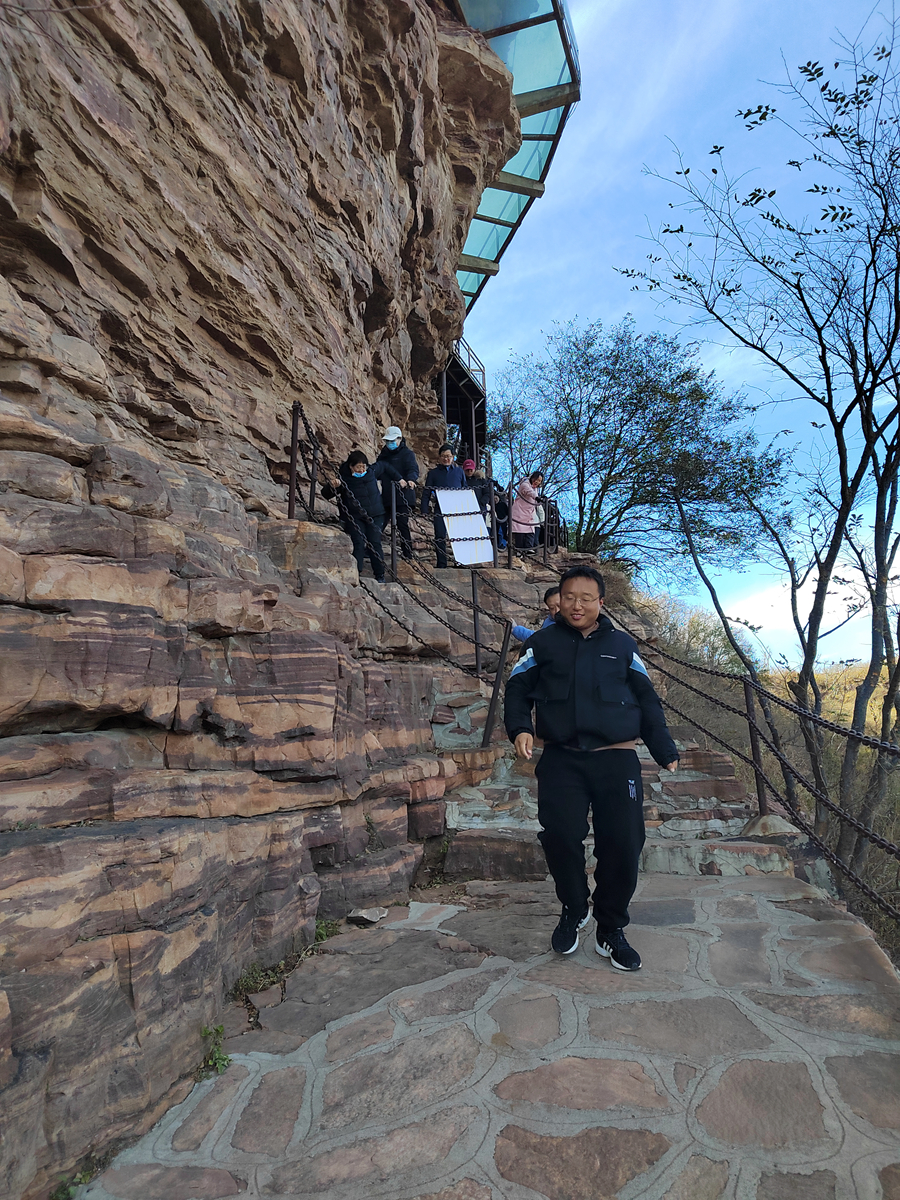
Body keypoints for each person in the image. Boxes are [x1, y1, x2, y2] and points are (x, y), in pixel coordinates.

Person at [504, 565, 679, 969]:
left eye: (586, 598)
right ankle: (574, 907)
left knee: (624, 842)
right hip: (562, 759)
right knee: (560, 837)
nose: (576, 605)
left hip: (616, 760)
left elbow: (646, 697)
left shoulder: (622, 645)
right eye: (569, 597)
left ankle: (610, 928)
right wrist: (519, 728)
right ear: (558, 601)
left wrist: (663, 746)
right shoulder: (541, 644)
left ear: (601, 602)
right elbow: (517, 688)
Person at [323, 449, 401, 582]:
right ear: (351, 466)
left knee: (374, 543)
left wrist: (399, 478)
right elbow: (326, 494)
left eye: (364, 466)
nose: (362, 470)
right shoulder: (344, 479)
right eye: (358, 467)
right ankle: (356, 573)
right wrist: (332, 486)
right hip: (355, 516)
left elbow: (384, 465)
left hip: (376, 514)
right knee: (358, 542)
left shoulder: (371, 472)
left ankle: (380, 575)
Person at [377, 425, 419, 561]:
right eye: (388, 441)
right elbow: (379, 470)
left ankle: (408, 553)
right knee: (380, 522)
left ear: (399, 439)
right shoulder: (383, 455)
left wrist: (411, 479)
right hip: (387, 494)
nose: (390, 443)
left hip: (403, 495)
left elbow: (413, 469)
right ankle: (371, 548)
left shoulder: (407, 454)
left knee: (402, 524)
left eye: (392, 440)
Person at [420, 443, 465, 568]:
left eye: (449, 456)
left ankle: (461, 561)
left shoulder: (459, 472)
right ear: (439, 457)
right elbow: (426, 492)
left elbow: (465, 490)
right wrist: (424, 509)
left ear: (453, 457)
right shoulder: (433, 473)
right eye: (444, 456)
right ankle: (442, 563)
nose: (446, 459)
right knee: (439, 536)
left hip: (457, 508)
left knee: (458, 536)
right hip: (440, 508)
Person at [511, 471, 543, 550]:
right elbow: (529, 491)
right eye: (537, 479)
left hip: (529, 513)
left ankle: (528, 549)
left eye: (540, 481)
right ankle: (519, 551)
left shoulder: (536, 489)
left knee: (530, 531)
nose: (537, 482)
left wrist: (543, 499)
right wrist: (536, 497)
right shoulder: (524, 484)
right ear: (533, 477)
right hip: (520, 512)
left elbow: (535, 501)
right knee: (520, 532)